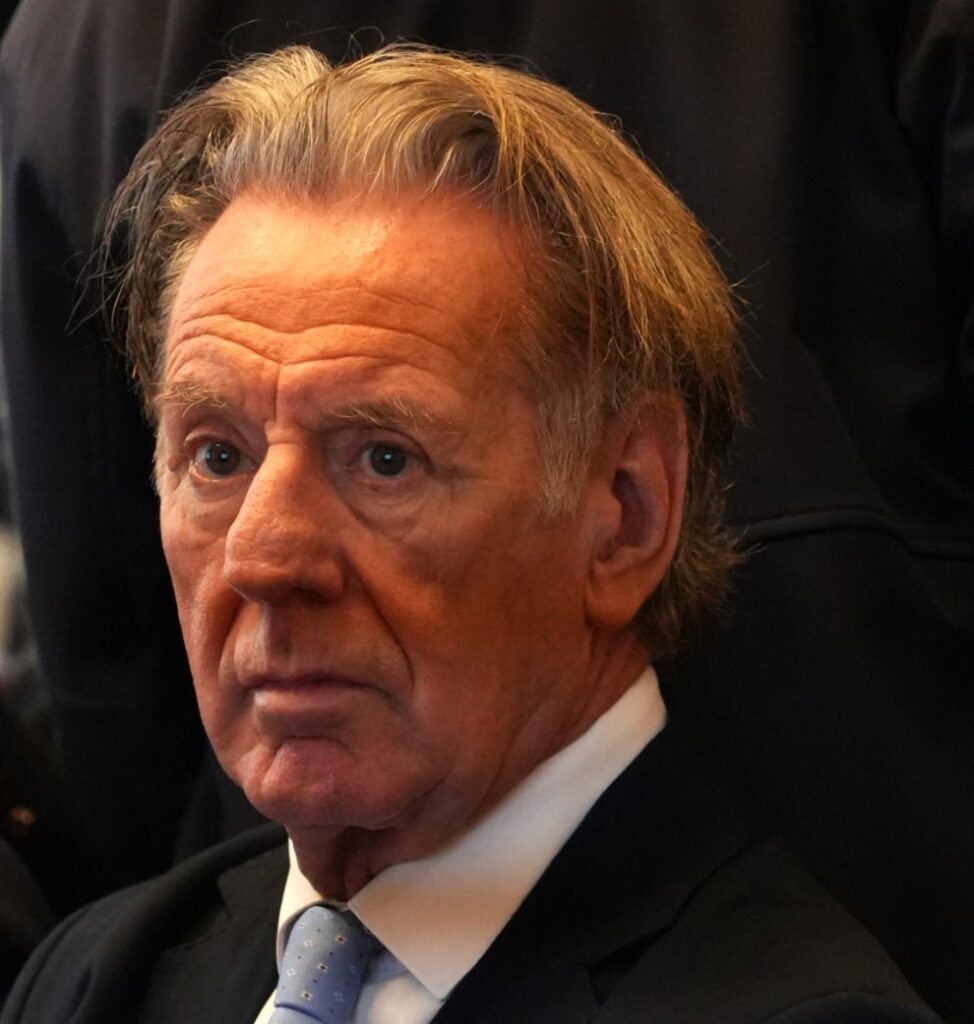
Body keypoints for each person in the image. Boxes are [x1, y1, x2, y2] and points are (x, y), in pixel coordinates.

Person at [0, 46, 941, 1024]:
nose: (262, 556)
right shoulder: (99, 975)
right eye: (217, 456)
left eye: (384, 458)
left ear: (626, 512)